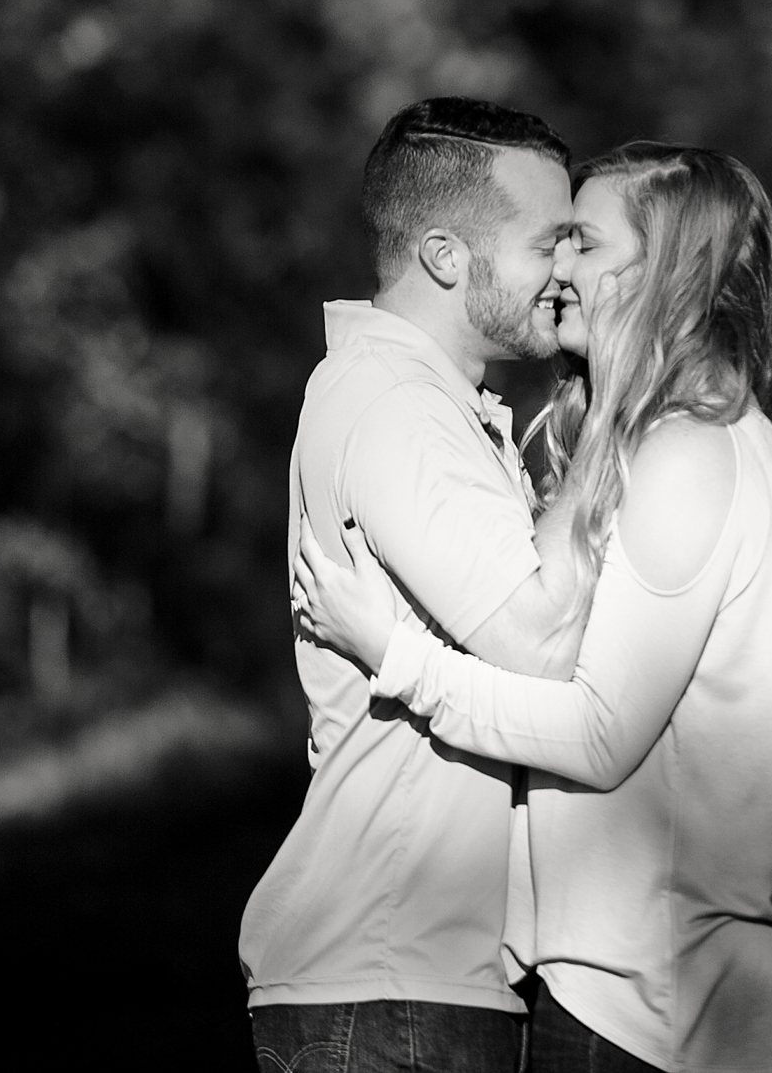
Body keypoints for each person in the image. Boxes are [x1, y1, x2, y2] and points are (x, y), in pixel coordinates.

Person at [293, 142, 772, 1073]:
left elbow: (601, 735)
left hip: (649, 993)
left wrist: (398, 657)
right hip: (631, 983)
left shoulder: (691, 449)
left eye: (582, 241)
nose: (559, 267)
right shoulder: (667, 439)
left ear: (663, 271)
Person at [240, 97, 594, 1073]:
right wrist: (616, 429)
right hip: (396, 976)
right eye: (547, 243)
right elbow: (545, 648)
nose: (566, 274)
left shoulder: (421, 399)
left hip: (409, 977)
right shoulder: (401, 410)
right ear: (445, 255)